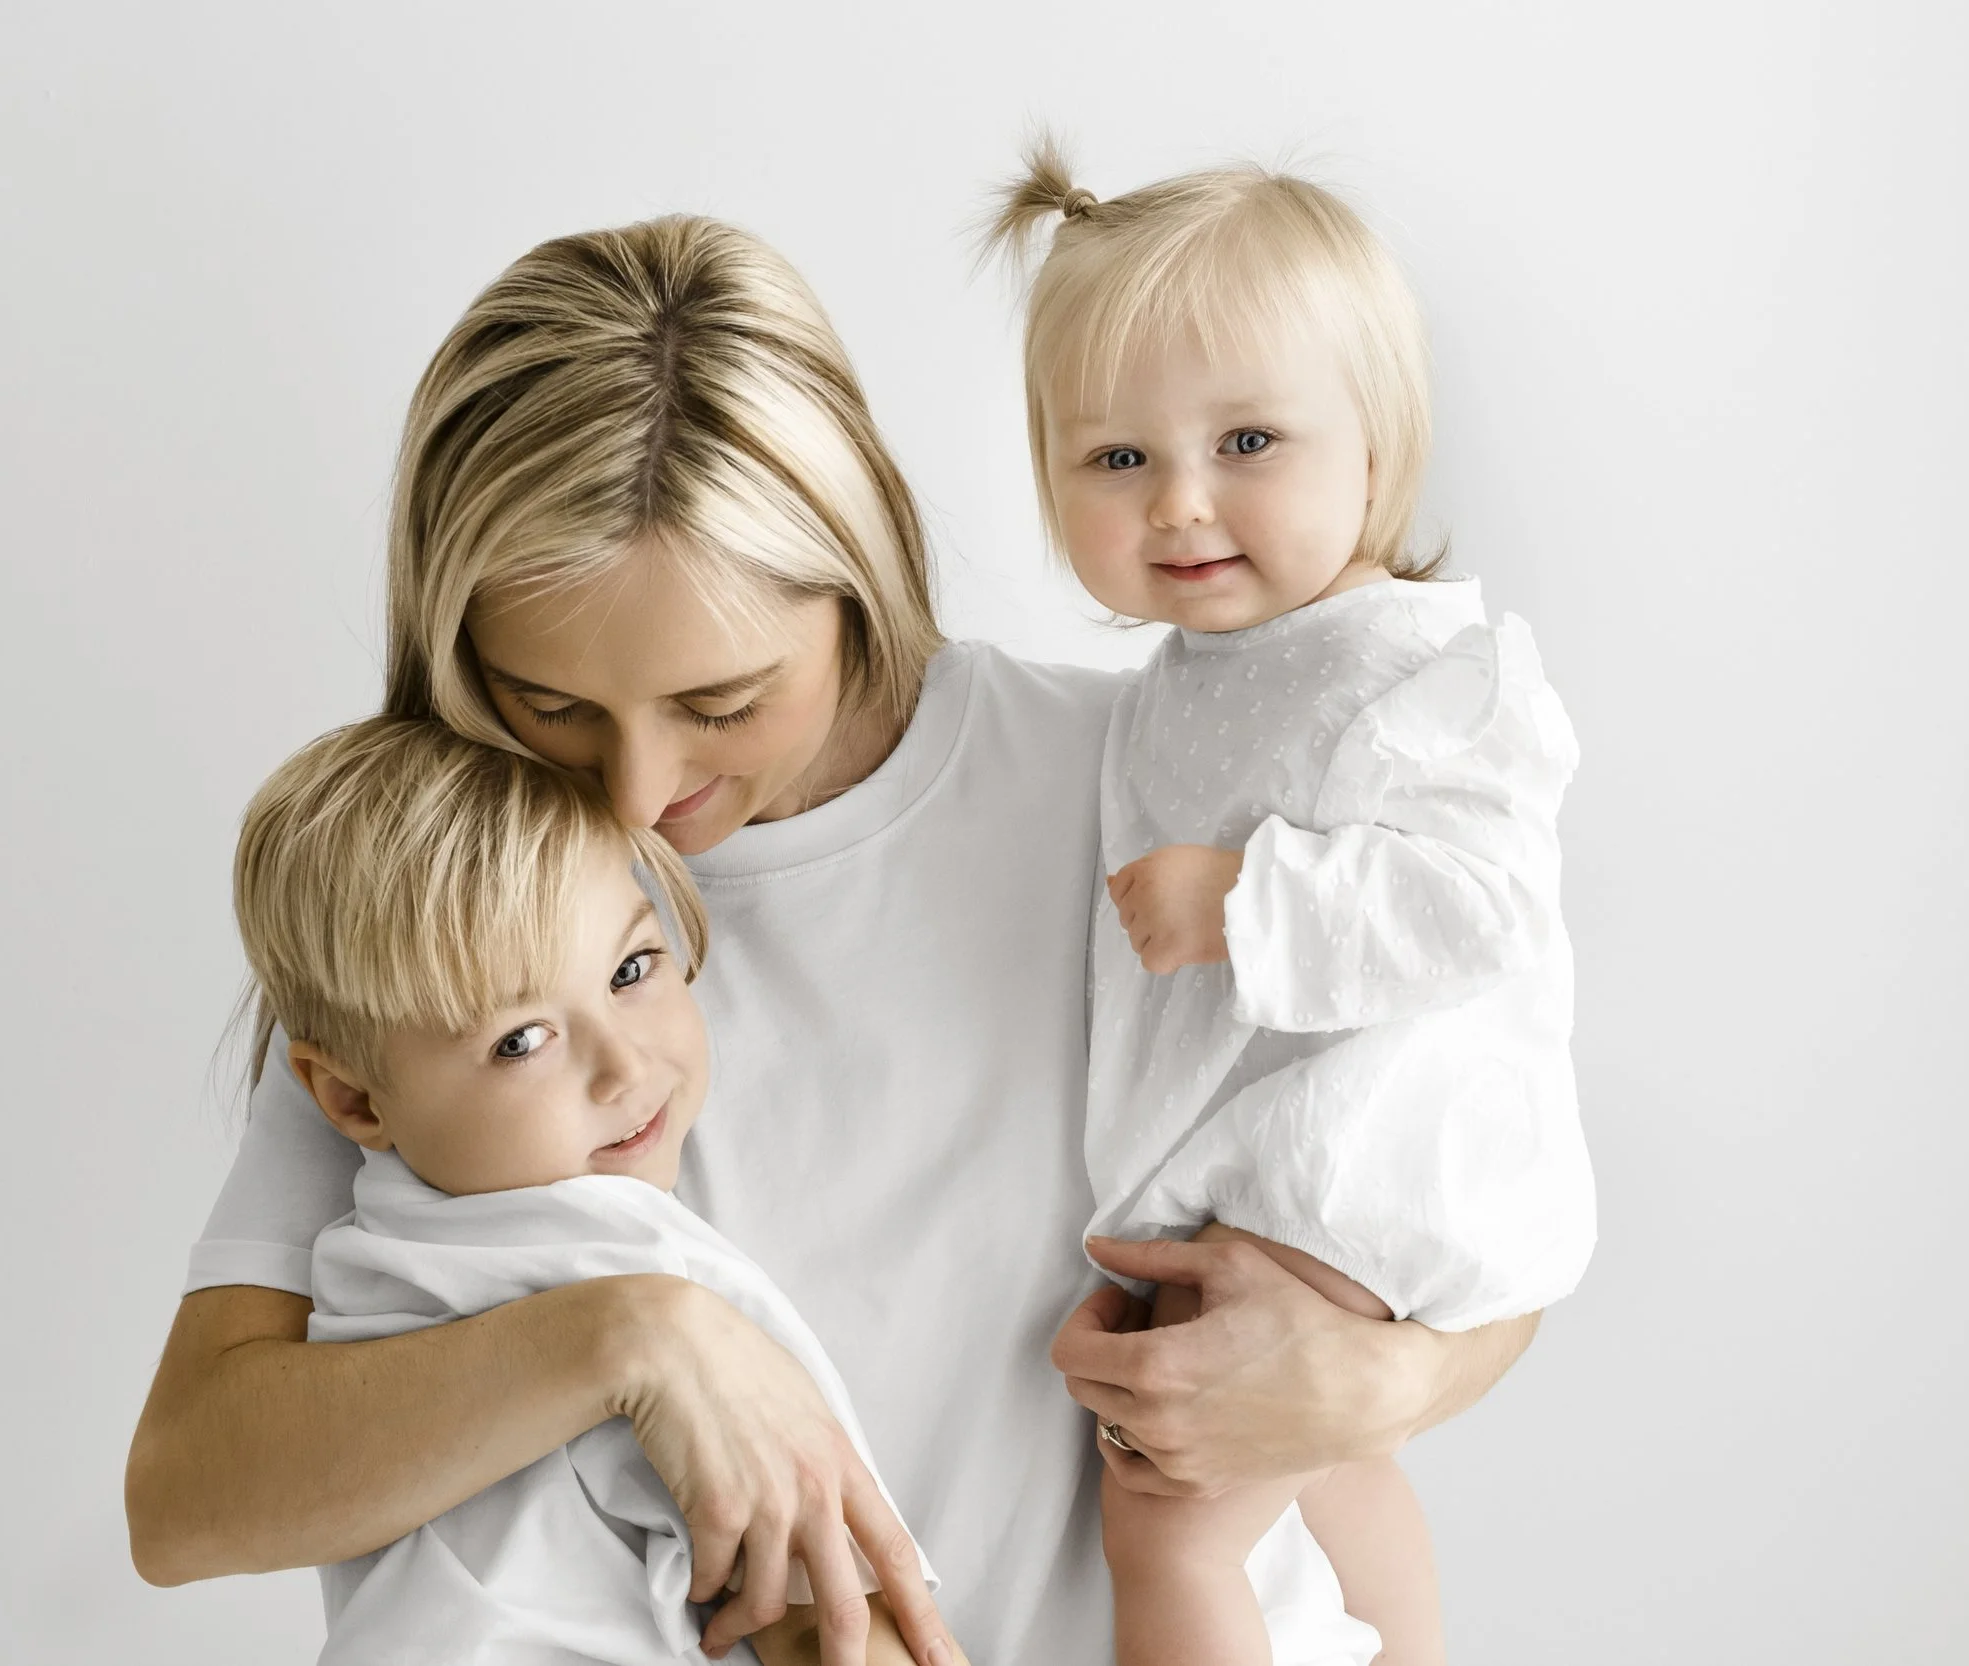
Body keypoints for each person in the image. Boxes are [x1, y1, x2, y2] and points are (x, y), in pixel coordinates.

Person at [124, 211, 1543, 1666]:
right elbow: (188, 1497)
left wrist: (1380, 1383)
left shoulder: (1147, 803)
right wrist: (635, 1343)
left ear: (855, 562)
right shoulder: (452, 932)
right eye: (550, 704)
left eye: (724, 701)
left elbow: (1484, 1195)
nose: (635, 795)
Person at [985, 146, 1595, 1666]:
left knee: (1170, 1508)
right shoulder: (1186, 679)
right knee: (1324, 1469)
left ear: (1378, 454)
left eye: (1247, 439)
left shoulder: (1418, 674)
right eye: (1115, 459)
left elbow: (1488, 902)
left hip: (1364, 1156)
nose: (1180, 501)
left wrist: (1254, 898)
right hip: (1274, 1165)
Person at [232, 716, 931, 1664]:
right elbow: (834, 1626)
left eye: (632, 971)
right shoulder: (645, 1261)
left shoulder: (361, 1267)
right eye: (520, 1040)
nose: (622, 1066)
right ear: (351, 1097)